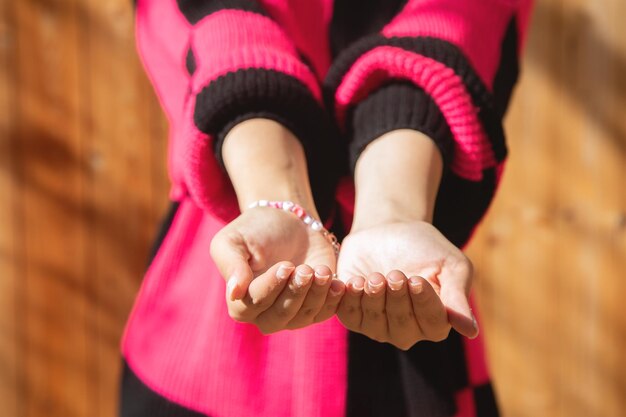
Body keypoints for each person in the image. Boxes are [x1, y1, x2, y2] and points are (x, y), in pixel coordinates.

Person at [119, 1, 534, 416]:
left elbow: (461, 19)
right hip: (201, 347)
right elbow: (211, 21)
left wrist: (393, 209)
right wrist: (273, 193)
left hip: (405, 341)